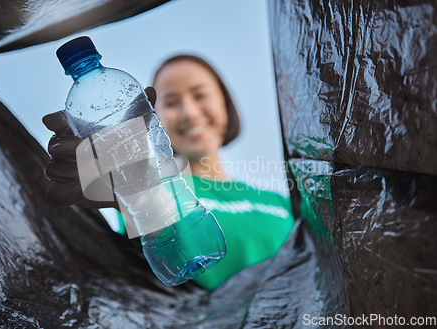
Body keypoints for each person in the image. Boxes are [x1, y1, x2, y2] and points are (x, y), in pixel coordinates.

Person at [43, 54, 295, 291]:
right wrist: (141, 196)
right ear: (152, 117)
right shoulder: (154, 188)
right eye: (172, 102)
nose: (189, 113)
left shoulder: (282, 203)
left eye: (200, 95)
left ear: (226, 103)